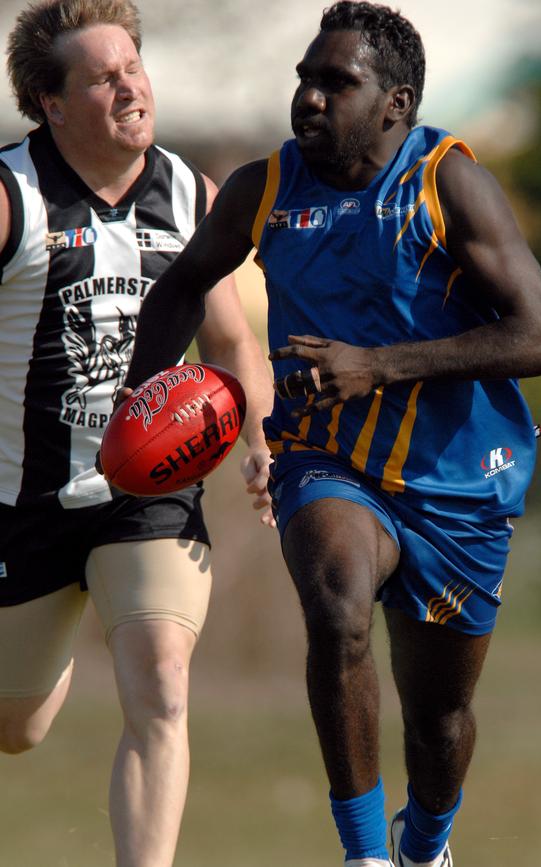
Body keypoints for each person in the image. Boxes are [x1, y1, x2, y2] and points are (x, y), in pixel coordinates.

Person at [120, 2, 541, 865]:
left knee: (439, 720)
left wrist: (381, 365)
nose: (311, 98)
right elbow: (181, 286)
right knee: (337, 609)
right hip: (326, 457)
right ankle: (364, 856)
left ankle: (424, 842)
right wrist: (141, 395)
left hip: (460, 478)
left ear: (396, 102)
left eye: (338, 82)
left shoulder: (448, 182)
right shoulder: (267, 188)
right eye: (305, 78)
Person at [0, 2, 274, 866]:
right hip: (22, 498)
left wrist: (265, 438)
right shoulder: (12, 196)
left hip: (147, 495)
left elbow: (231, 341)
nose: (130, 87)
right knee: (17, 726)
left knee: (160, 683)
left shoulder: (191, 191)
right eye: (102, 77)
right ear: (51, 103)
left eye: (134, 67)